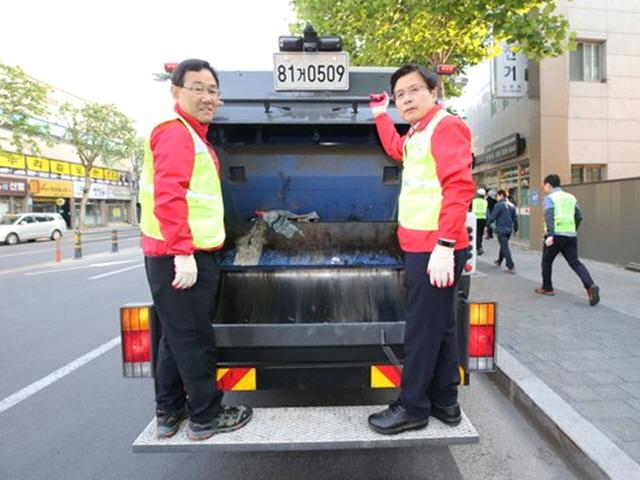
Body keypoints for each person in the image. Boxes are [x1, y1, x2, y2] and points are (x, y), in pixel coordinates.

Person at [139, 58, 252, 441]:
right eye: (198, 88)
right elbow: (169, 196)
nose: (207, 97)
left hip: (178, 253)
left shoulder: (192, 135)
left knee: (174, 335)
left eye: (212, 90)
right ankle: (205, 416)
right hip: (180, 256)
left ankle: (169, 412)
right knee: (194, 338)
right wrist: (183, 252)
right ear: (176, 91)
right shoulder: (176, 134)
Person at [367, 64, 474, 434]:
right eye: (400, 95)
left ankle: (412, 406)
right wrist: (381, 116)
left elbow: (459, 187)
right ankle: (446, 403)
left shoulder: (447, 127)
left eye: (413, 90)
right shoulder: (418, 133)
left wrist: (445, 244)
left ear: (433, 91)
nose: (406, 99)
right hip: (426, 246)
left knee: (422, 331)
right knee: (442, 327)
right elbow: (397, 149)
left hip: (435, 248)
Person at [534, 174, 600, 306]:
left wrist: (550, 235)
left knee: (546, 261)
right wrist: (573, 229)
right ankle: (590, 285)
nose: (545, 189)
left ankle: (547, 288)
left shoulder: (550, 198)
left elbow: (549, 216)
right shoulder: (571, 198)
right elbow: (579, 216)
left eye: (545, 186)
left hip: (555, 235)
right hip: (570, 235)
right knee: (575, 262)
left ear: (548, 185)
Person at [487, 189, 518, 273]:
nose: (496, 198)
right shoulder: (511, 205)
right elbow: (515, 218)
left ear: (501, 195)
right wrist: (515, 229)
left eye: (497, 196)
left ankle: (510, 266)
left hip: (501, 229)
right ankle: (499, 261)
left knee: (505, 247)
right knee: (503, 246)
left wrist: (488, 224)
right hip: (509, 229)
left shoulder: (499, 205)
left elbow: (492, 217)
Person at [471, 188, 488, 255]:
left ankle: (478, 248)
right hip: (483, 218)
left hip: (475, 218)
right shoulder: (485, 201)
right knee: (480, 234)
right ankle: (479, 246)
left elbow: (470, 208)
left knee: (477, 233)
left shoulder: (474, 201)